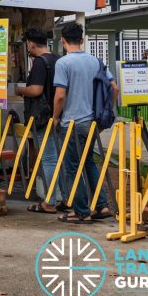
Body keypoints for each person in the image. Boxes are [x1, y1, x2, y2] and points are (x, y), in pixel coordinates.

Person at [53, 22, 116, 223]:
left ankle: (81, 211)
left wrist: (55, 117)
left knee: (71, 167)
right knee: (88, 162)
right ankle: (101, 205)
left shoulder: (63, 63)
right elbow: (113, 88)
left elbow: (60, 96)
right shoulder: (97, 62)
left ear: (63, 41)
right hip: (93, 123)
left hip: (72, 123)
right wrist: (107, 112)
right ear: (82, 40)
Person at [17, 28, 63, 214]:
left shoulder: (39, 63)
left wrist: (19, 90)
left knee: (49, 159)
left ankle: (50, 201)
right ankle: (63, 197)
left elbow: (36, 90)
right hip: (60, 115)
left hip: (44, 117)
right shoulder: (58, 59)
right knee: (59, 159)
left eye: (27, 43)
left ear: (31, 43)